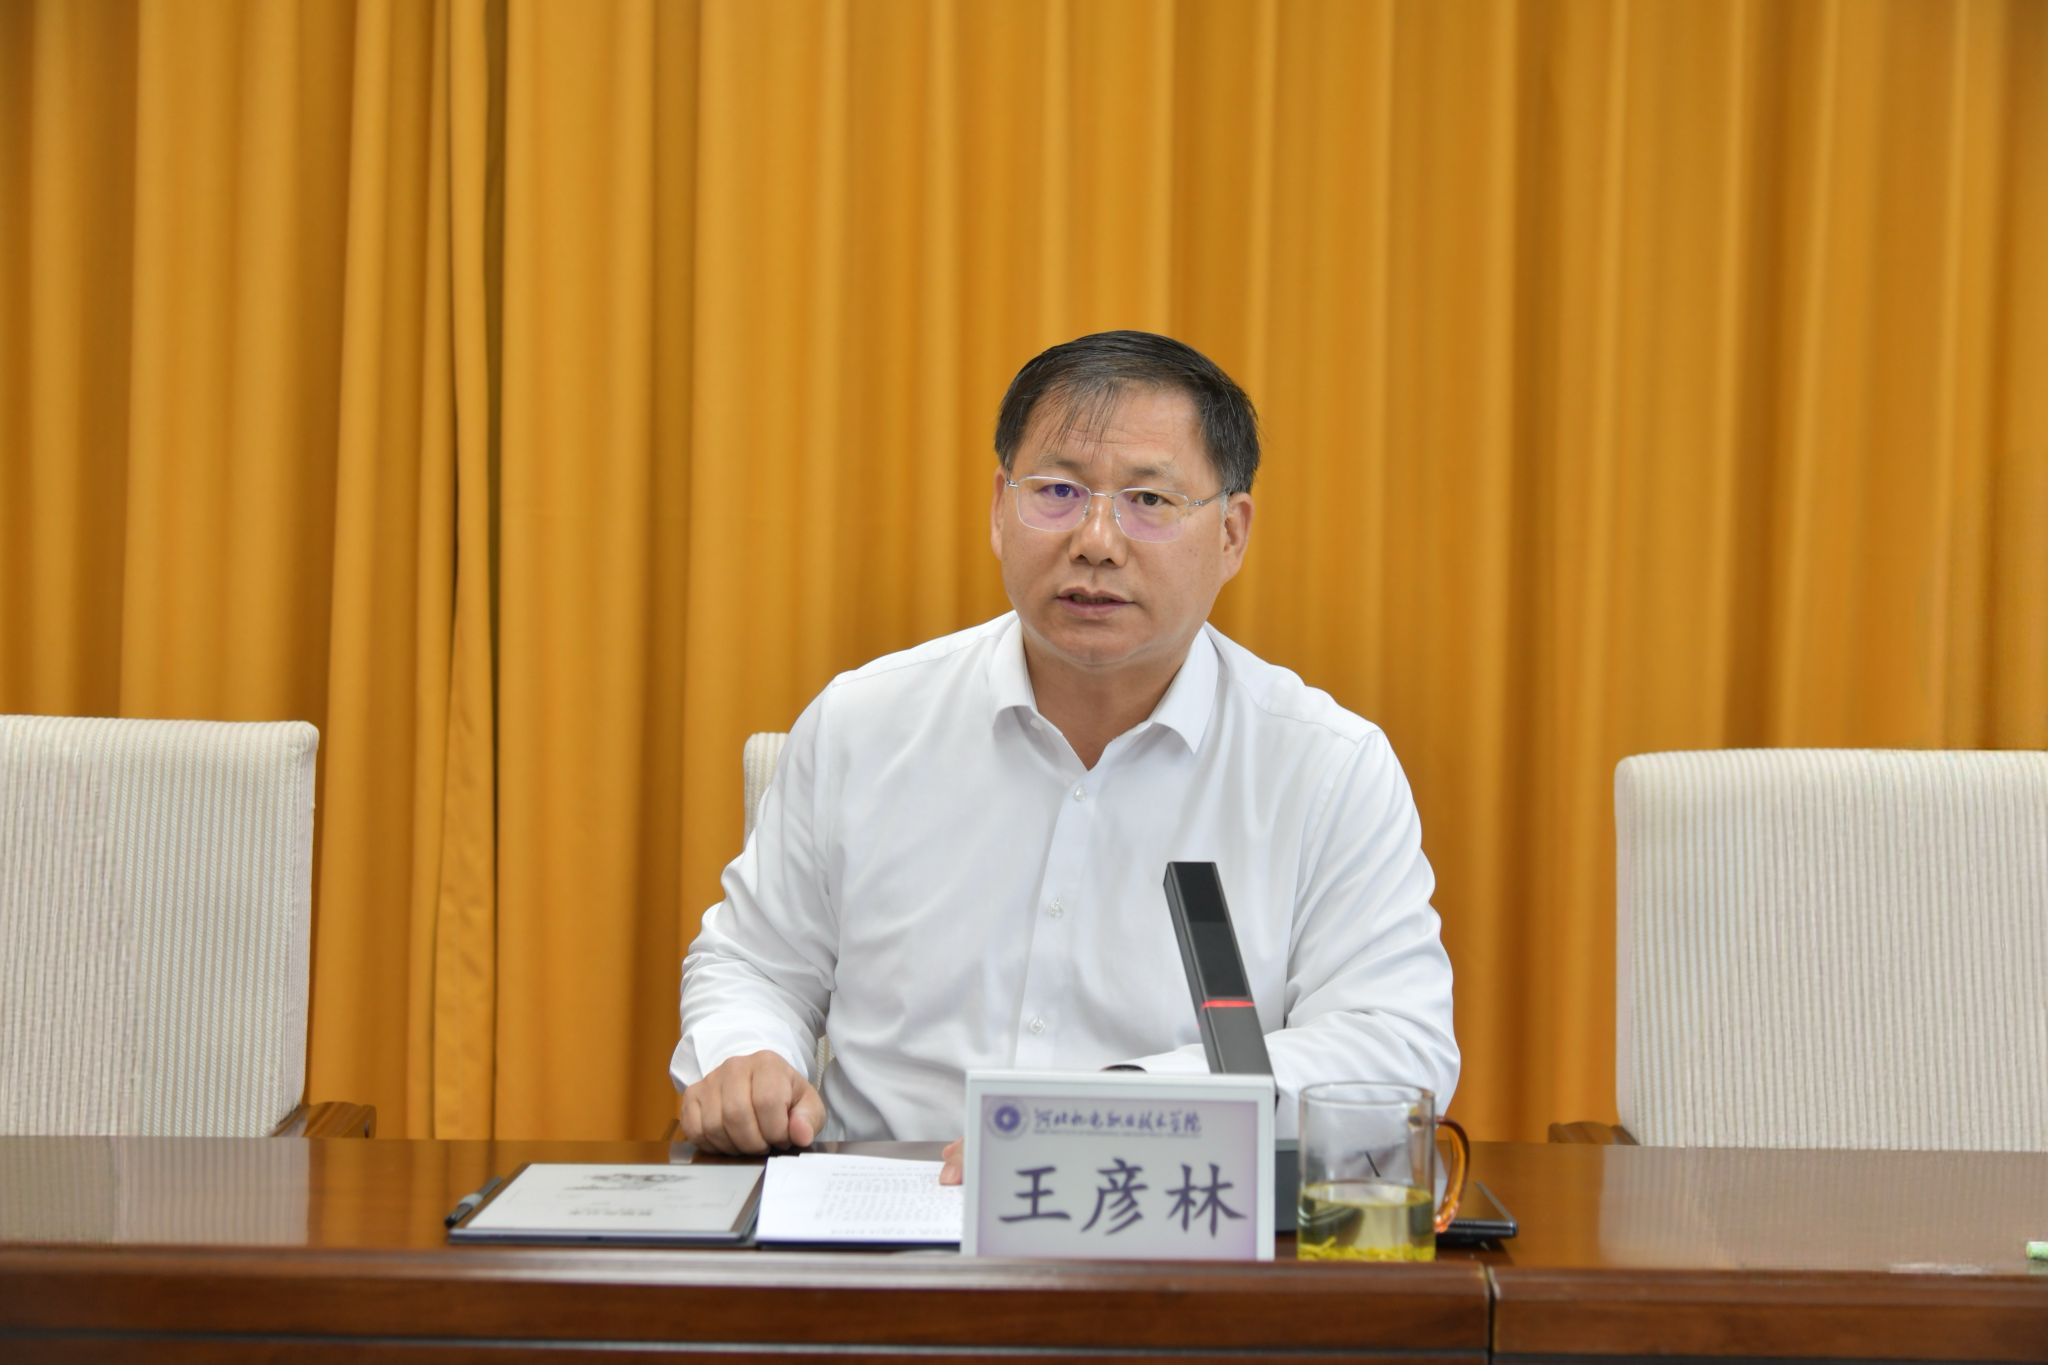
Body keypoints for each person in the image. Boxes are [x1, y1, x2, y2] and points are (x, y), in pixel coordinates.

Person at [672, 331, 1458, 1177]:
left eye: (1149, 500)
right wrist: (746, 1055)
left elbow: (1394, 1045)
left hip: (1167, 1215)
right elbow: (754, 965)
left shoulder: (1327, 767)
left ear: (1232, 533)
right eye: (1056, 492)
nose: (1096, 540)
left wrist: (1120, 1114)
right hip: (887, 1217)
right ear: (998, 510)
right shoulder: (862, 724)